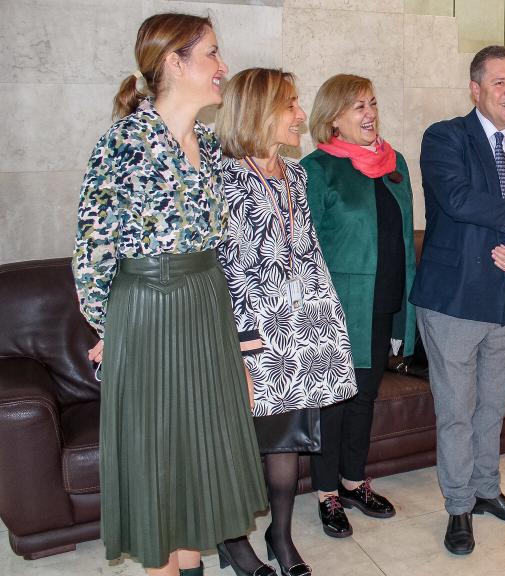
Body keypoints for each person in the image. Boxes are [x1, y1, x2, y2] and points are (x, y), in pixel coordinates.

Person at [72, 13, 267, 575]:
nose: (222, 66)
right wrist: (114, 328)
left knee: (197, 458)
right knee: (158, 462)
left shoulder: (209, 145)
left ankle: (190, 566)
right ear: (173, 63)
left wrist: (236, 347)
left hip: (205, 310)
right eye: (210, 53)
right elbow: (93, 249)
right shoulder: (123, 142)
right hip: (149, 311)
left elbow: (224, 254)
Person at [410, 45, 505, 555]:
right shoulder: (445, 137)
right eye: (499, 83)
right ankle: (457, 507)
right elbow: (459, 200)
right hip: (452, 301)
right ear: (475, 89)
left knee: (494, 407)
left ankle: (487, 491)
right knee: (456, 411)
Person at [214, 68, 358, 576]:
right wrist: (242, 343)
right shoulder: (221, 177)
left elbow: (310, 254)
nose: (301, 116)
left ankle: (280, 534)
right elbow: (222, 268)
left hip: (302, 330)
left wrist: (328, 325)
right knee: (237, 445)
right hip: (252, 335)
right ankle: (233, 542)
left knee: (288, 439)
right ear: (258, 111)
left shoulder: (296, 173)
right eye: (291, 105)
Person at [301, 74, 417, 537]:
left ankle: (352, 481)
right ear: (333, 120)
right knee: (333, 404)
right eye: (357, 108)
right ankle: (326, 493)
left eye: (372, 104)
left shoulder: (396, 164)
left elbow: (403, 238)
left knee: (364, 397)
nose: (369, 114)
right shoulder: (315, 169)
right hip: (337, 308)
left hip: (384, 301)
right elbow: (303, 248)